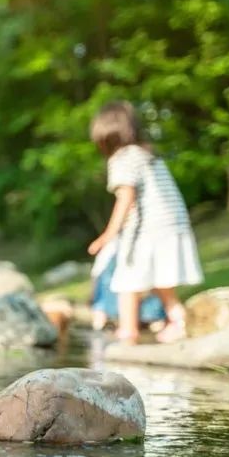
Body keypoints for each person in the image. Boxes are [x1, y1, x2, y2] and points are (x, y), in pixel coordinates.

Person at [87, 101, 203, 344]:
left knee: (127, 282)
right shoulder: (147, 154)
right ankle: (178, 319)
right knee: (160, 281)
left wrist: (108, 234)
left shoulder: (122, 158)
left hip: (149, 230)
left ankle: (128, 332)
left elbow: (126, 197)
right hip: (173, 225)